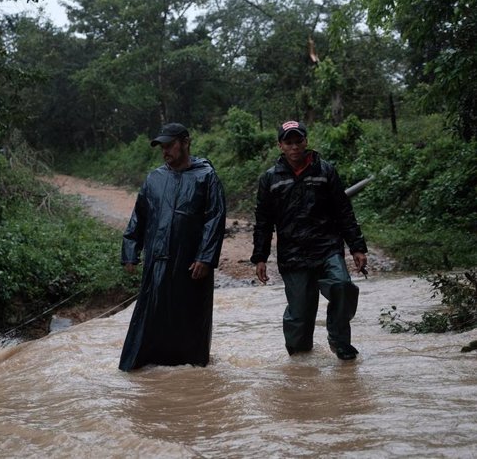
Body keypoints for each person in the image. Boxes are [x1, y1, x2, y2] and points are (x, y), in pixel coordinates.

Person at [250, 120, 368, 360]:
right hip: (293, 254)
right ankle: (300, 360)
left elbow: (343, 211)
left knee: (343, 287)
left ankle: (338, 340)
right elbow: (263, 221)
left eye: (298, 141)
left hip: (327, 248)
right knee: (300, 314)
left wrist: (357, 247)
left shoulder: (325, 171)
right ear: (280, 145)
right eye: (288, 142)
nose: (294, 147)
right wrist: (260, 257)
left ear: (306, 141)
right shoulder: (270, 179)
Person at [118, 122, 227, 371]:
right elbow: (139, 216)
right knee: (150, 318)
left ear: (185, 143)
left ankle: (191, 371)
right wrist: (130, 252)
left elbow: (215, 218)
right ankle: (142, 369)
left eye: (170, 145)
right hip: (156, 262)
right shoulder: (154, 178)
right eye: (162, 147)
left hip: (192, 265)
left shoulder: (206, 176)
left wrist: (206, 257)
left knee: (189, 318)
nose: (165, 151)